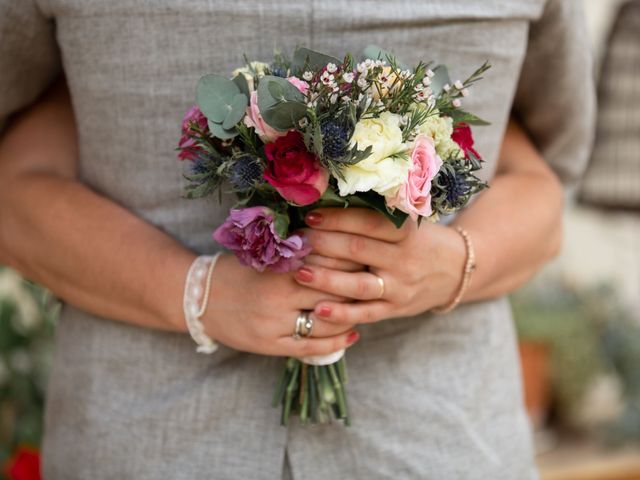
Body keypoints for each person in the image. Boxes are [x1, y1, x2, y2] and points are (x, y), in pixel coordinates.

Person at [0, 1, 595, 478]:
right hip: (151, 442)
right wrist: (194, 291)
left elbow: (542, 174)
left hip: (436, 438)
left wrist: (454, 263)